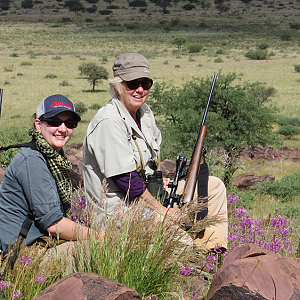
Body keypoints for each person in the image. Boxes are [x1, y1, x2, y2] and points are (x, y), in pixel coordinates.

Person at [83, 53, 228, 250]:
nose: (140, 89)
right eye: (132, 83)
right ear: (118, 86)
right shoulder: (109, 121)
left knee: (214, 187)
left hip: (146, 195)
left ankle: (211, 253)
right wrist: (163, 211)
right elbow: (126, 180)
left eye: (145, 83)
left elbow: (151, 160)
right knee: (180, 244)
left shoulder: (144, 113)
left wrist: (159, 179)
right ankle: (191, 260)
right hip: (119, 209)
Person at [0, 94, 102, 272]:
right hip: (24, 256)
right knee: (103, 250)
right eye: (54, 121)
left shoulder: (53, 158)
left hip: (41, 245)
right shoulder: (32, 160)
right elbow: (53, 224)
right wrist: (101, 237)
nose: (63, 129)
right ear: (38, 125)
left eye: (70, 123)